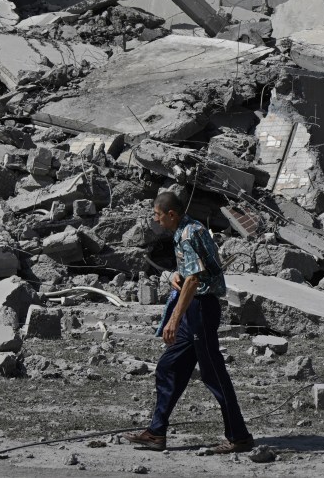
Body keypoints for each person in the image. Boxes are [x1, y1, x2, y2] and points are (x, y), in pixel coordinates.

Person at [123, 192, 254, 453]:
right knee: (168, 366)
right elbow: (191, 273)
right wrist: (176, 275)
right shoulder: (189, 229)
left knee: (213, 374)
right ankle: (156, 432)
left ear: (171, 214)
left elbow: (195, 280)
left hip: (200, 310)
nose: (156, 221)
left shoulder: (187, 233)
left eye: (157, 216)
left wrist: (174, 319)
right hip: (194, 307)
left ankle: (239, 436)